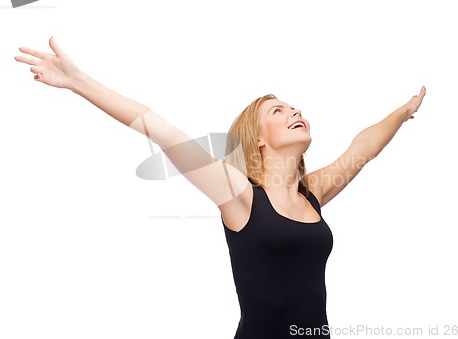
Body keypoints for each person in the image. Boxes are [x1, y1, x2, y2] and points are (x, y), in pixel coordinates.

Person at [15, 37, 426, 338]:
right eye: (278, 111)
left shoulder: (313, 192)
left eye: (293, 107)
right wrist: (78, 81)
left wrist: (404, 111)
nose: (295, 111)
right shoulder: (239, 194)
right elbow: (161, 130)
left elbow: (364, 147)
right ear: (258, 139)